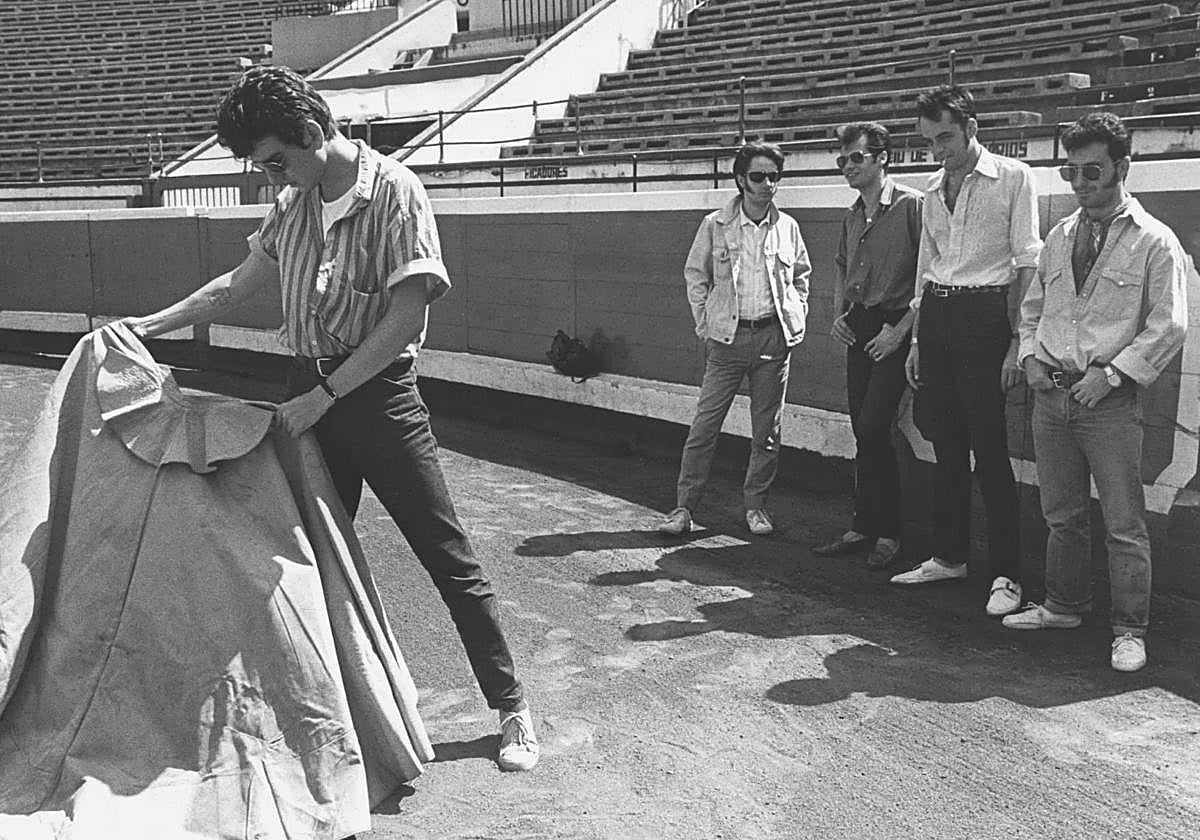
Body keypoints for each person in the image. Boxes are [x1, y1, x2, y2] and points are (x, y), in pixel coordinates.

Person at [125, 66, 538, 771]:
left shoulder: (396, 190)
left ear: (314, 132)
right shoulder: (295, 201)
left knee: (446, 556)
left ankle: (512, 708)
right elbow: (236, 285)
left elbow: (406, 315)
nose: (273, 179)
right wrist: (144, 326)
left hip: (376, 399)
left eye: (276, 162)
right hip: (307, 390)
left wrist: (326, 396)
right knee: (301, 562)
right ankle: (318, 715)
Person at [1003, 112, 1188, 672]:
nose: (1080, 183)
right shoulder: (1060, 235)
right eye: (1071, 171)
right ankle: (1063, 606)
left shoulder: (1154, 240)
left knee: (1124, 524)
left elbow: (1170, 325)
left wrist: (1110, 376)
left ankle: (1130, 629)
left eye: (1092, 171)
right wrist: (1030, 357)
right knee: (1061, 514)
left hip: (1109, 402)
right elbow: (1033, 308)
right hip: (1052, 399)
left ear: (1121, 168)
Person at [892, 84, 1041, 619]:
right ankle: (949, 556)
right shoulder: (932, 187)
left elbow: (1027, 260)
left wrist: (1018, 341)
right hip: (936, 315)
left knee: (991, 450)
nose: (938, 150)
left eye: (946, 138)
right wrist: (916, 339)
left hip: (985, 317)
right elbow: (925, 266)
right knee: (947, 446)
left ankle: (1007, 574)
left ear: (972, 128)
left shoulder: (1014, 177)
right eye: (930, 140)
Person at [658, 141, 812, 537]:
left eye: (774, 177)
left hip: (773, 340)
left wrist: (794, 318)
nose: (767, 184)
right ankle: (683, 508)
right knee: (704, 427)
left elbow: (801, 278)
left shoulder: (788, 227)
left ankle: (756, 507)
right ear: (741, 180)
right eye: (758, 176)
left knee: (767, 433)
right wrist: (705, 323)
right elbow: (696, 275)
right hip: (727, 340)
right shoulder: (715, 224)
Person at [813, 122, 922, 570]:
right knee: (863, 427)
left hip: (895, 324)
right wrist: (838, 313)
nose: (847, 167)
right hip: (860, 324)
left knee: (876, 425)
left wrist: (902, 330)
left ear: (883, 158)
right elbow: (842, 264)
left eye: (856, 158)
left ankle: (891, 533)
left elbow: (929, 273)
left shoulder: (913, 205)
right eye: (842, 160)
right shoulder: (852, 213)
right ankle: (864, 525)